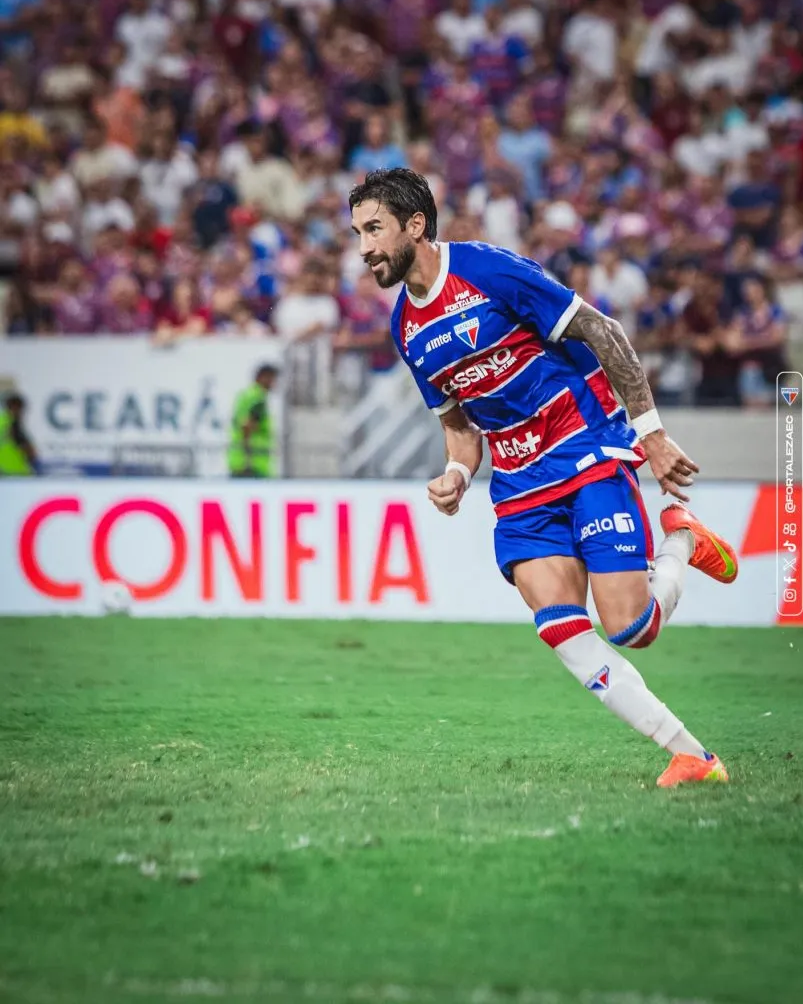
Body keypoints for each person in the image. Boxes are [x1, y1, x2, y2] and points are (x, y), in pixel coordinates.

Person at [350, 168, 739, 789]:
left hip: (582, 447)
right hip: (518, 480)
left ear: (415, 225)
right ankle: (692, 755)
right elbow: (458, 425)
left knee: (631, 628)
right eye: (358, 233)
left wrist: (652, 434)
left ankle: (683, 538)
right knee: (560, 627)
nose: (365, 246)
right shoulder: (406, 328)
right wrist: (454, 472)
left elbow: (604, 331)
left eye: (374, 229)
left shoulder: (486, 271)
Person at [227, 364, 278, 479]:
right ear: (263, 377)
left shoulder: (245, 395)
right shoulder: (258, 399)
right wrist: (248, 459)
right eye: (272, 379)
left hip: (238, 461)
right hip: (253, 464)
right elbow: (247, 426)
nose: (274, 383)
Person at [0, 394, 37, 476]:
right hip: (16, 472)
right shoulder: (12, 424)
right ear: (15, 408)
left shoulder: (2, 421)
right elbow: (30, 451)